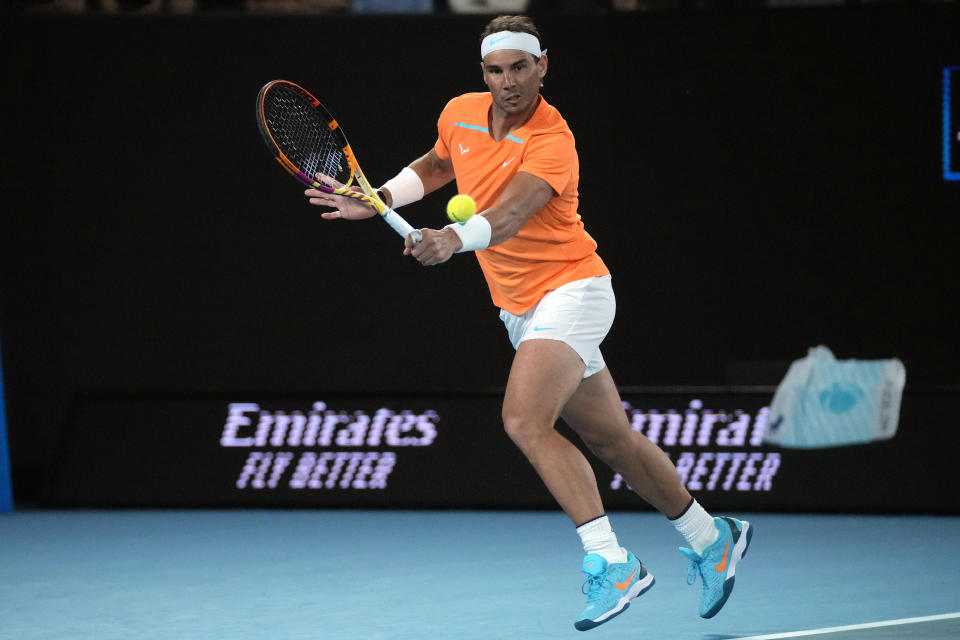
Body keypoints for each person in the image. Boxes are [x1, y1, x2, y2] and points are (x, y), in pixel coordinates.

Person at [305, 14, 753, 631]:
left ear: (543, 66)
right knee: (611, 439)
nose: (508, 82)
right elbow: (437, 166)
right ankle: (712, 536)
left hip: (575, 289)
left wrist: (452, 240)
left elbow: (513, 213)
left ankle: (611, 561)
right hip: (519, 307)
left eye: (520, 67)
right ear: (482, 73)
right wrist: (377, 199)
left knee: (523, 419)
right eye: (496, 70)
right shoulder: (460, 111)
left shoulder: (554, 138)